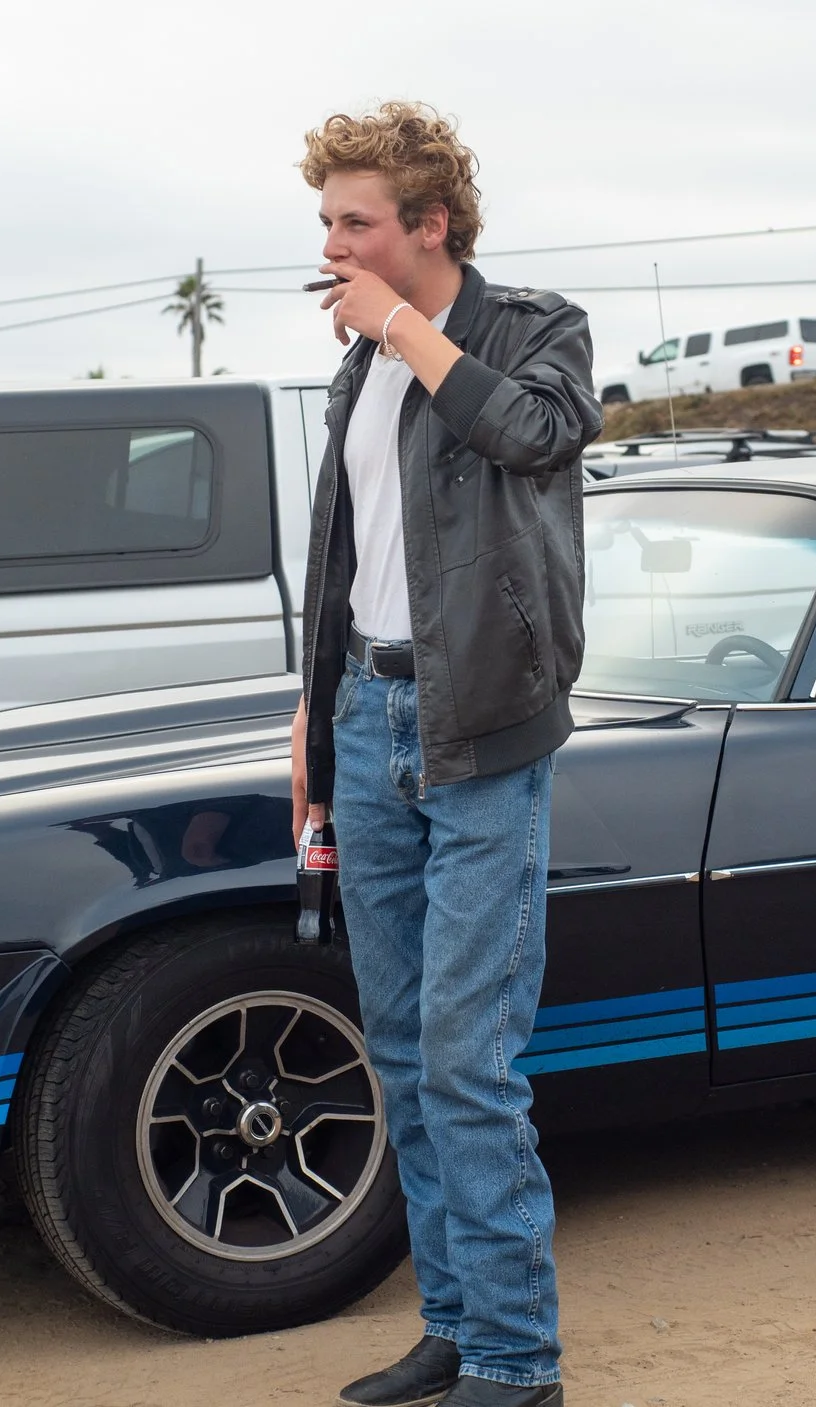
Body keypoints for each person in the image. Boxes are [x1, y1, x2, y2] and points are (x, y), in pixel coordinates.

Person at [290, 102, 602, 1407]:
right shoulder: (364, 361)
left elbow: (535, 434)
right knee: (407, 1048)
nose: (332, 244)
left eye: (355, 221)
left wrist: (404, 329)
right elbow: (346, 554)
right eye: (325, 221)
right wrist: (311, 719)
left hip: (483, 724)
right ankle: (457, 1326)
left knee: (471, 1053)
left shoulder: (533, 328)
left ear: (430, 224)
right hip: (369, 717)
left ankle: (519, 1359)